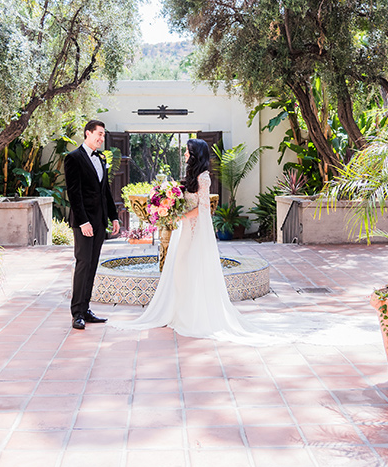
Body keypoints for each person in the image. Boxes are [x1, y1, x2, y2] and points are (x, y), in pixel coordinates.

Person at [110, 138, 266, 342]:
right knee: (180, 269)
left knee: (189, 268)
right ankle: (179, 311)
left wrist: (177, 216)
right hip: (183, 230)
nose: (184, 154)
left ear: (195, 155)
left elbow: (203, 209)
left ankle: (192, 315)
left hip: (195, 231)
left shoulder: (204, 178)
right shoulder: (191, 175)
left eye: (187, 151)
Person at [64, 119, 120, 330]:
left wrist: (113, 217)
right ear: (87, 133)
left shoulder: (101, 158)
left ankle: (86, 309)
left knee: (93, 264)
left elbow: (105, 191)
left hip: (99, 221)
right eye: (99, 134)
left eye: (103, 135)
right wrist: (83, 221)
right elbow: (74, 194)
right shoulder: (73, 158)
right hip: (84, 222)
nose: (101, 138)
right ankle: (77, 312)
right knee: (83, 264)